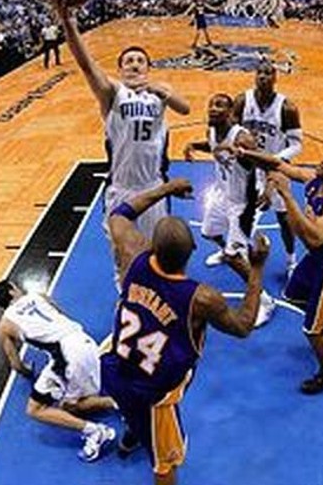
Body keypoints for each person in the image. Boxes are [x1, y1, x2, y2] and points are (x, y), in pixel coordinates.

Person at [103, 178, 269, 485]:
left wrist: (165, 189)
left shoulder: (133, 254)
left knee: (129, 403)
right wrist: (256, 270)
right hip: (154, 393)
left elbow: (120, 214)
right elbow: (244, 325)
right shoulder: (201, 298)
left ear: (151, 244)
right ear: (192, 251)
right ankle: (142, 432)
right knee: (166, 464)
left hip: (114, 368)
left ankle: (133, 433)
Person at [53, 0, 191, 240]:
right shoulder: (112, 93)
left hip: (154, 186)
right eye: (128, 61)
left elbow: (185, 108)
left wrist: (161, 91)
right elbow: (86, 64)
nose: (135, 64)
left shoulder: (160, 92)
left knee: (153, 255)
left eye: (140, 60)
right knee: (123, 258)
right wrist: (69, 24)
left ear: (149, 68)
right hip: (121, 189)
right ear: (120, 69)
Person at [235, 148, 323, 394]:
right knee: (291, 295)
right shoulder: (315, 181)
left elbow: (314, 239)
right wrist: (245, 152)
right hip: (316, 261)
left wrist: (286, 195)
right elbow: (278, 163)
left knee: (311, 331)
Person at [0, 280, 117, 462]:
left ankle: (96, 431)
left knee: (39, 409)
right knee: (80, 395)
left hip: (68, 356)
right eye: (16, 287)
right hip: (84, 341)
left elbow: (16, 365)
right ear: (12, 291)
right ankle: (118, 403)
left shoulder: (4, 326)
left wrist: (28, 372)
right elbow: (61, 315)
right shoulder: (38, 296)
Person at [183, 93, 276, 326]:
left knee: (236, 258)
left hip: (242, 203)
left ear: (232, 113)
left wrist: (270, 187)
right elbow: (213, 146)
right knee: (208, 233)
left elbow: (267, 162)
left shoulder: (243, 139)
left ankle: (264, 300)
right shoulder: (212, 131)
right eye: (211, 104)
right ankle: (227, 251)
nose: (213, 109)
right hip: (223, 194)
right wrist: (194, 145)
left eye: (219, 105)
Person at [233, 61, 303, 281]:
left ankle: (291, 259)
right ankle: (234, 249)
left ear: (275, 78)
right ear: (255, 76)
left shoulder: (287, 108)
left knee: (284, 218)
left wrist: (275, 160)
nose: (263, 77)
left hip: (275, 168)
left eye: (268, 73)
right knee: (241, 212)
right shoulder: (242, 101)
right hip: (248, 168)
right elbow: (232, 132)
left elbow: (296, 144)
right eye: (260, 73)